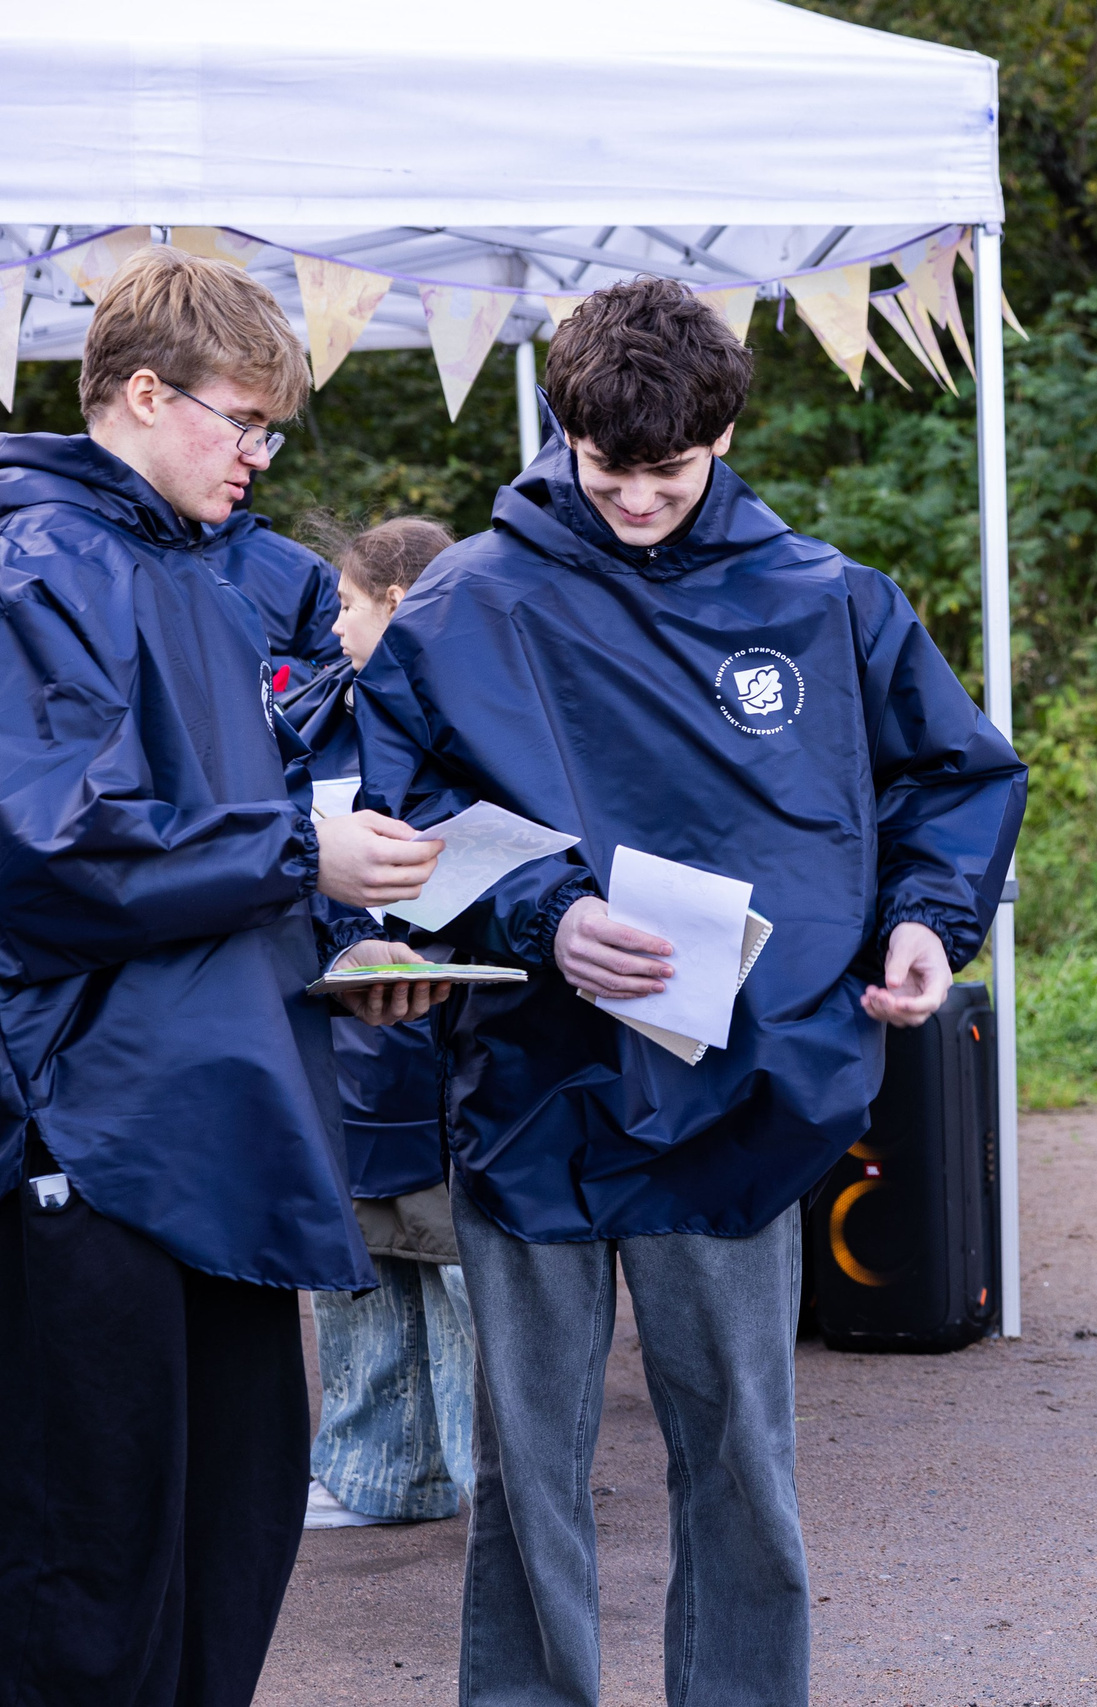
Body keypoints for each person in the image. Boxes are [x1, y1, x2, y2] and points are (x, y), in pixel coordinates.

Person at [353, 277, 1026, 1707]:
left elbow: (950, 778)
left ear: (722, 434)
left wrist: (924, 920)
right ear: (563, 436)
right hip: (532, 1087)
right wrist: (546, 914)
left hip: (740, 1092)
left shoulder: (828, 598)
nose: (640, 499)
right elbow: (402, 817)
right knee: (526, 1467)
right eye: (610, 471)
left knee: (740, 1463)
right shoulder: (474, 598)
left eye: (670, 470)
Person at [0, 246, 449, 1707]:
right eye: (241, 419)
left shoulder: (229, 572)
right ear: (141, 391)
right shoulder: (39, 562)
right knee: (92, 1563)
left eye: (273, 428)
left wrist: (346, 944)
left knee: (235, 1524)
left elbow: (236, 818)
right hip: (95, 1131)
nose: (261, 454)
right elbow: (51, 850)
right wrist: (299, 857)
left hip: (238, 1114)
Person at [293, 517, 480, 1530]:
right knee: (358, 1271)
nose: (335, 623)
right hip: (348, 1055)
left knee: (458, 1276)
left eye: (349, 605)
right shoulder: (320, 712)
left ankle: (483, 1473)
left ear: (397, 602)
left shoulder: (470, 712)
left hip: (444, 1051)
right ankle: (376, 1473)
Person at [207, 499, 343, 694]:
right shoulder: (149, 563)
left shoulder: (299, 568)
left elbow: (350, 675)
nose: (261, 465)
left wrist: (271, 686)